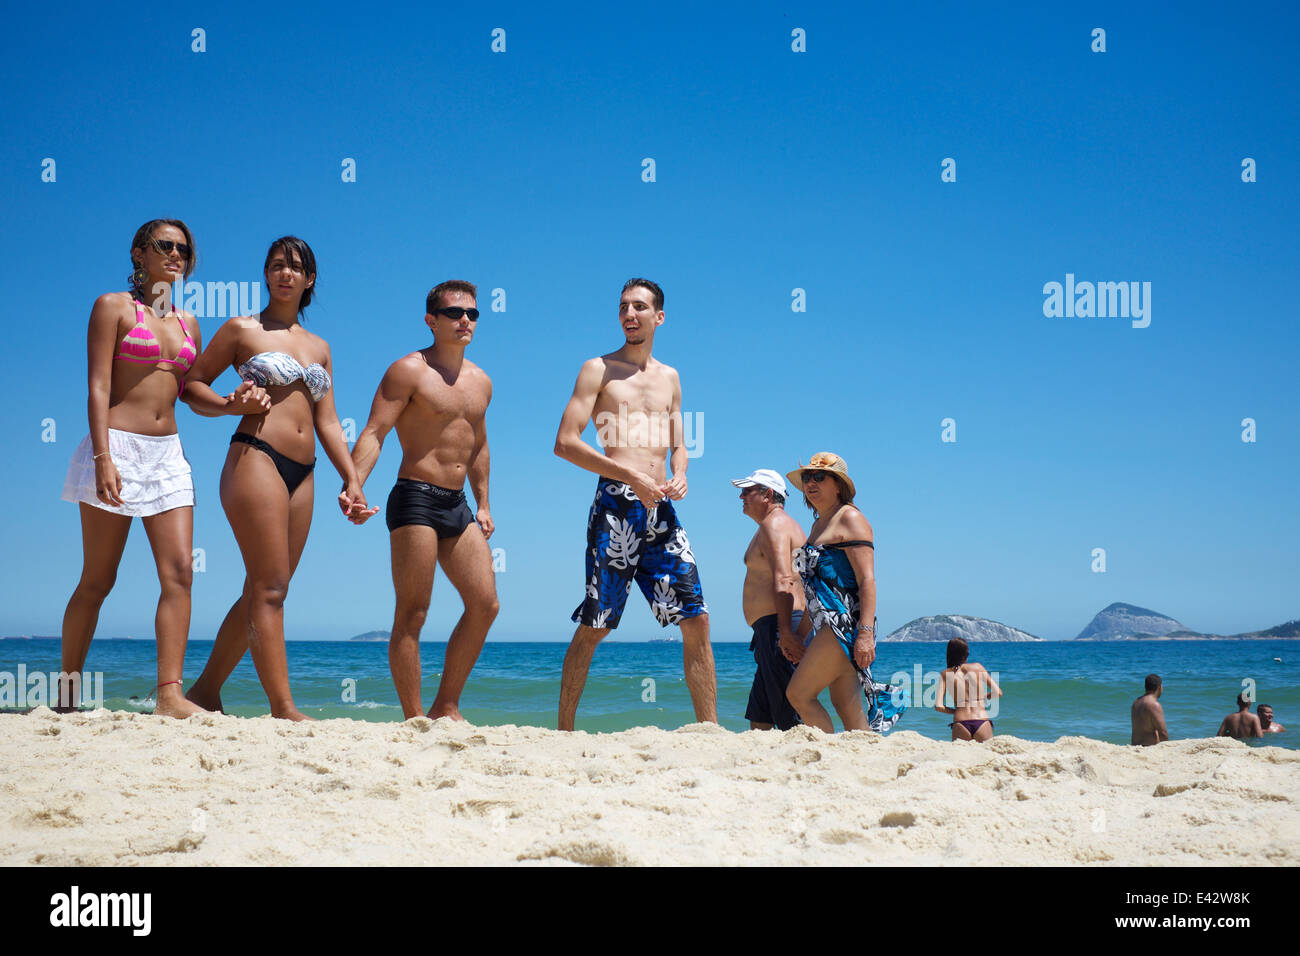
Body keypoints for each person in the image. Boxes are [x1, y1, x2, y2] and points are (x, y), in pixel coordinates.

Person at [181, 236, 373, 721]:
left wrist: (351, 479)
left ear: (309, 280)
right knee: (270, 589)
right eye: (276, 265)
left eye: (296, 267)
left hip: (304, 474)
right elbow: (191, 387)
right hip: (256, 456)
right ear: (266, 274)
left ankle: (204, 693)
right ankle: (284, 708)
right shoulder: (241, 329)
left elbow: (328, 421)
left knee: (262, 589)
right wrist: (231, 404)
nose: (285, 273)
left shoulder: (320, 347)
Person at [59, 219, 221, 718]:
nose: (176, 255)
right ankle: (66, 694)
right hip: (117, 447)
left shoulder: (189, 323)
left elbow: (190, 391)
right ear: (139, 253)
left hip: (169, 454)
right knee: (98, 579)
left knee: (179, 575)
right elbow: (98, 387)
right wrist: (104, 457)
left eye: (184, 249)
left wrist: (233, 404)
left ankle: (170, 695)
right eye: (165, 245)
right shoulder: (112, 306)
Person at [554, 278, 717, 731]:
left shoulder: (671, 378)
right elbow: (565, 443)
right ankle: (564, 730)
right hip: (616, 506)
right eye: (624, 307)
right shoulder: (598, 369)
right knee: (598, 623)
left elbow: (679, 444)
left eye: (640, 307)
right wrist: (631, 475)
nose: (630, 313)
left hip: (661, 508)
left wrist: (680, 473)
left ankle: (710, 731)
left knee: (696, 617)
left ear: (658, 317)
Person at [349, 280, 498, 720]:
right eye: (455, 313)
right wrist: (355, 485)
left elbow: (479, 445)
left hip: (457, 504)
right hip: (414, 497)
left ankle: (446, 706)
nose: (465, 321)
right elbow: (375, 432)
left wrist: (484, 503)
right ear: (432, 320)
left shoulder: (481, 382)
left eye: (472, 313)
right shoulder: (408, 371)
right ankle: (414, 717)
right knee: (413, 612)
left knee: (485, 604)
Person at [783, 452, 876, 733]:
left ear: (838, 485)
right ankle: (866, 764)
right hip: (826, 623)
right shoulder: (817, 525)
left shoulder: (850, 518)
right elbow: (818, 591)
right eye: (807, 478)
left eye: (820, 477)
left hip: (844, 625)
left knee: (798, 694)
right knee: (846, 706)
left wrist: (865, 633)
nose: (811, 483)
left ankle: (827, 753)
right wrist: (799, 635)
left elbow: (867, 580)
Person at [734, 469, 806, 730]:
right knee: (761, 716)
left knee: (791, 714)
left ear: (768, 494)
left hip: (779, 625)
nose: (741, 496)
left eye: (747, 490)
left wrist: (785, 633)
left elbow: (784, 578)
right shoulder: (774, 525)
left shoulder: (775, 524)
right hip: (772, 627)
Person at [935, 637, 1001, 741]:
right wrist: (985, 696)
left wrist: (956, 711)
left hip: (960, 722)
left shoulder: (945, 674)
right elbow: (998, 692)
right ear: (966, 653)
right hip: (981, 720)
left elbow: (938, 706)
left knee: (959, 757)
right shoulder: (978, 667)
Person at [1130, 674, 1169, 745]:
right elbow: (1163, 733)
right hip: (1148, 747)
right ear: (1160, 687)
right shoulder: (1154, 705)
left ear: (1145, 687)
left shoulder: (1136, 702)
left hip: (1135, 745)